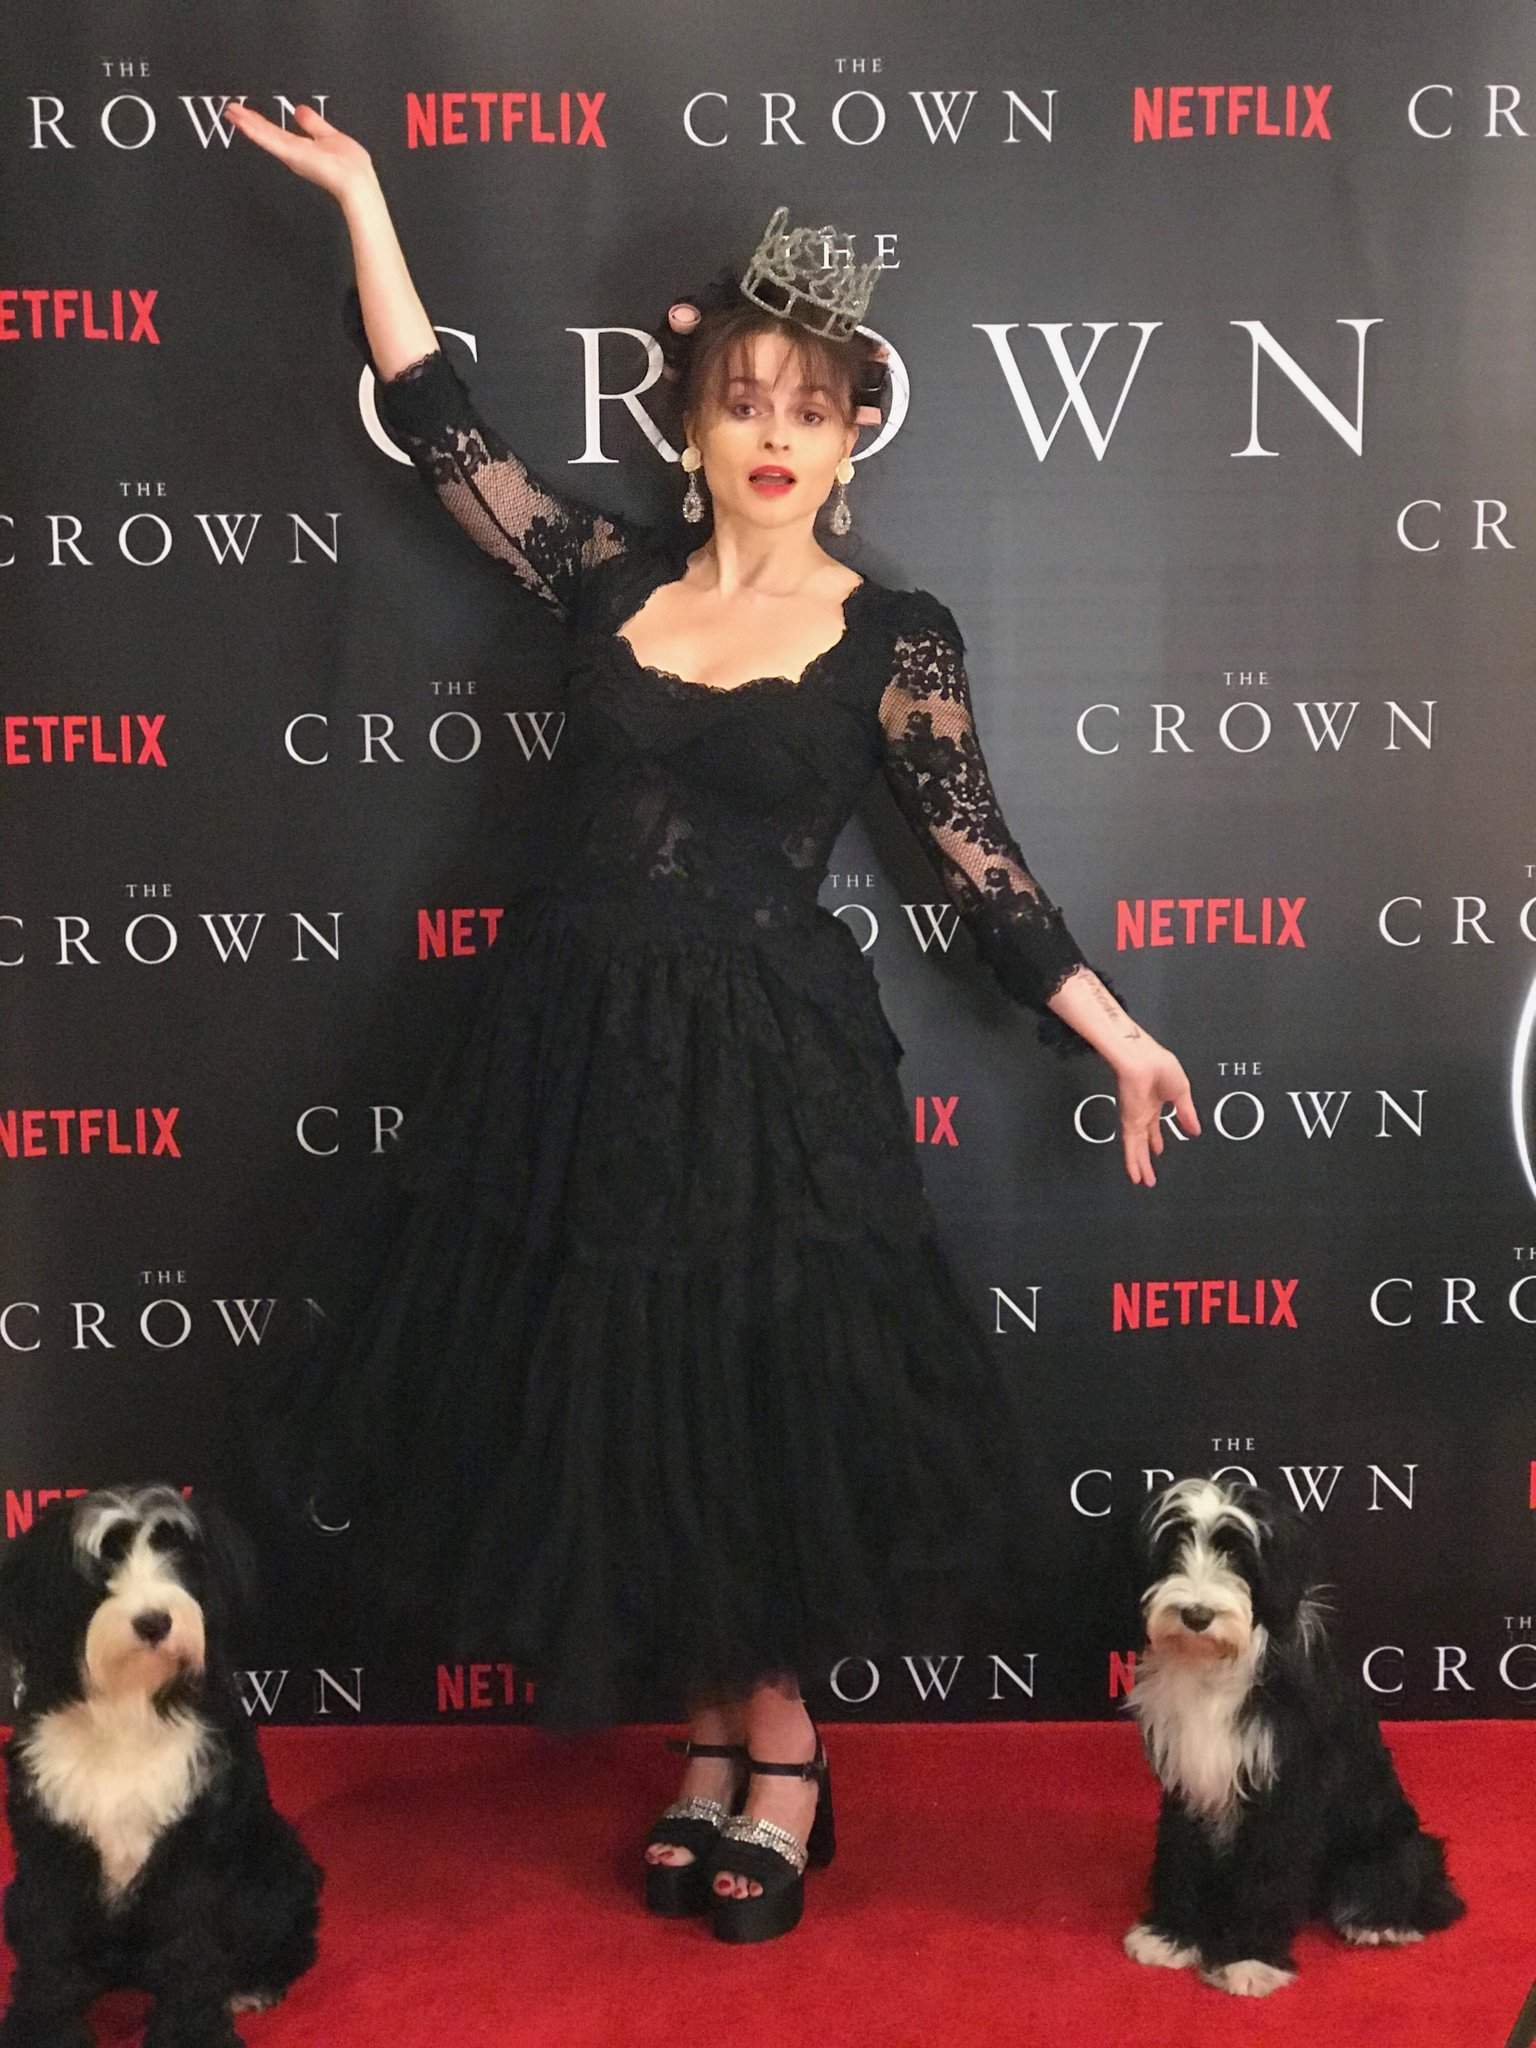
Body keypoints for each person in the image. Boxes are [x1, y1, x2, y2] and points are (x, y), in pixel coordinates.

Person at [227, 100, 1202, 1946]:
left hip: (768, 1074)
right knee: (625, 1405)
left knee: (750, 1411)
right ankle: (704, 1736)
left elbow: (985, 873)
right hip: (568, 1055)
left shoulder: (894, 637)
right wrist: (364, 197)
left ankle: (786, 1754)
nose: (773, 433)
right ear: (690, 419)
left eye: (809, 408)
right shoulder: (605, 576)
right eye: (743, 398)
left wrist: (1119, 1034)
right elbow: (440, 427)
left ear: (852, 436)